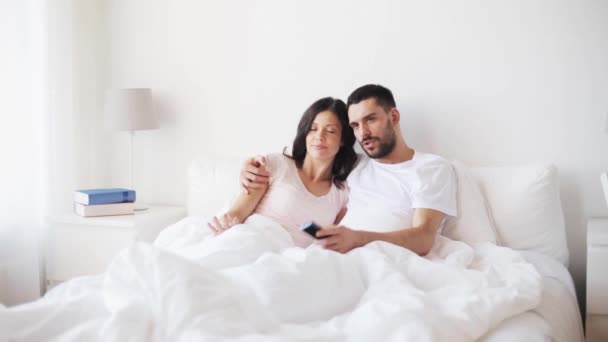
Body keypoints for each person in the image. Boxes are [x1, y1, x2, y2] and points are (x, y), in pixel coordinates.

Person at [240, 84, 457, 255]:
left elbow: (424, 238)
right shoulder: (357, 166)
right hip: (329, 254)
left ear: (394, 117)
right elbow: (312, 164)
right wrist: (249, 167)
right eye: (355, 126)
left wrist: (358, 239)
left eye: (370, 119)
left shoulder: (431, 167)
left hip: (379, 256)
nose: (363, 133)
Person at [207, 97, 358, 247]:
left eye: (330, 131)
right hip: (251, 241)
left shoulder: (342, 193)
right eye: (313, 129)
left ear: (343, 139)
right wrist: (226, 225)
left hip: (291, 260)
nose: (319, 136)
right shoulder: (275, 164)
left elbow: (334, 241)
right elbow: (238, 213)